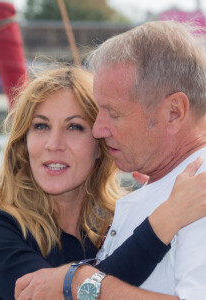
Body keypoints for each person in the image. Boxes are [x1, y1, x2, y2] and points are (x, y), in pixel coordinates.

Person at [0, 65, 206, 300]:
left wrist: (154, 198)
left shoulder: (115, 226)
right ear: (23, 143)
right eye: (40, 126)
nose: (53, 144)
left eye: (74, 127)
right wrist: (167, 219)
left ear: (100, 145)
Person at [14, 21, 206, 300]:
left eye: (113, 113)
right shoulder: (169, 185)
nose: (97, 129)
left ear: (174, 112)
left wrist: (80, 283)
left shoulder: (198, 194)